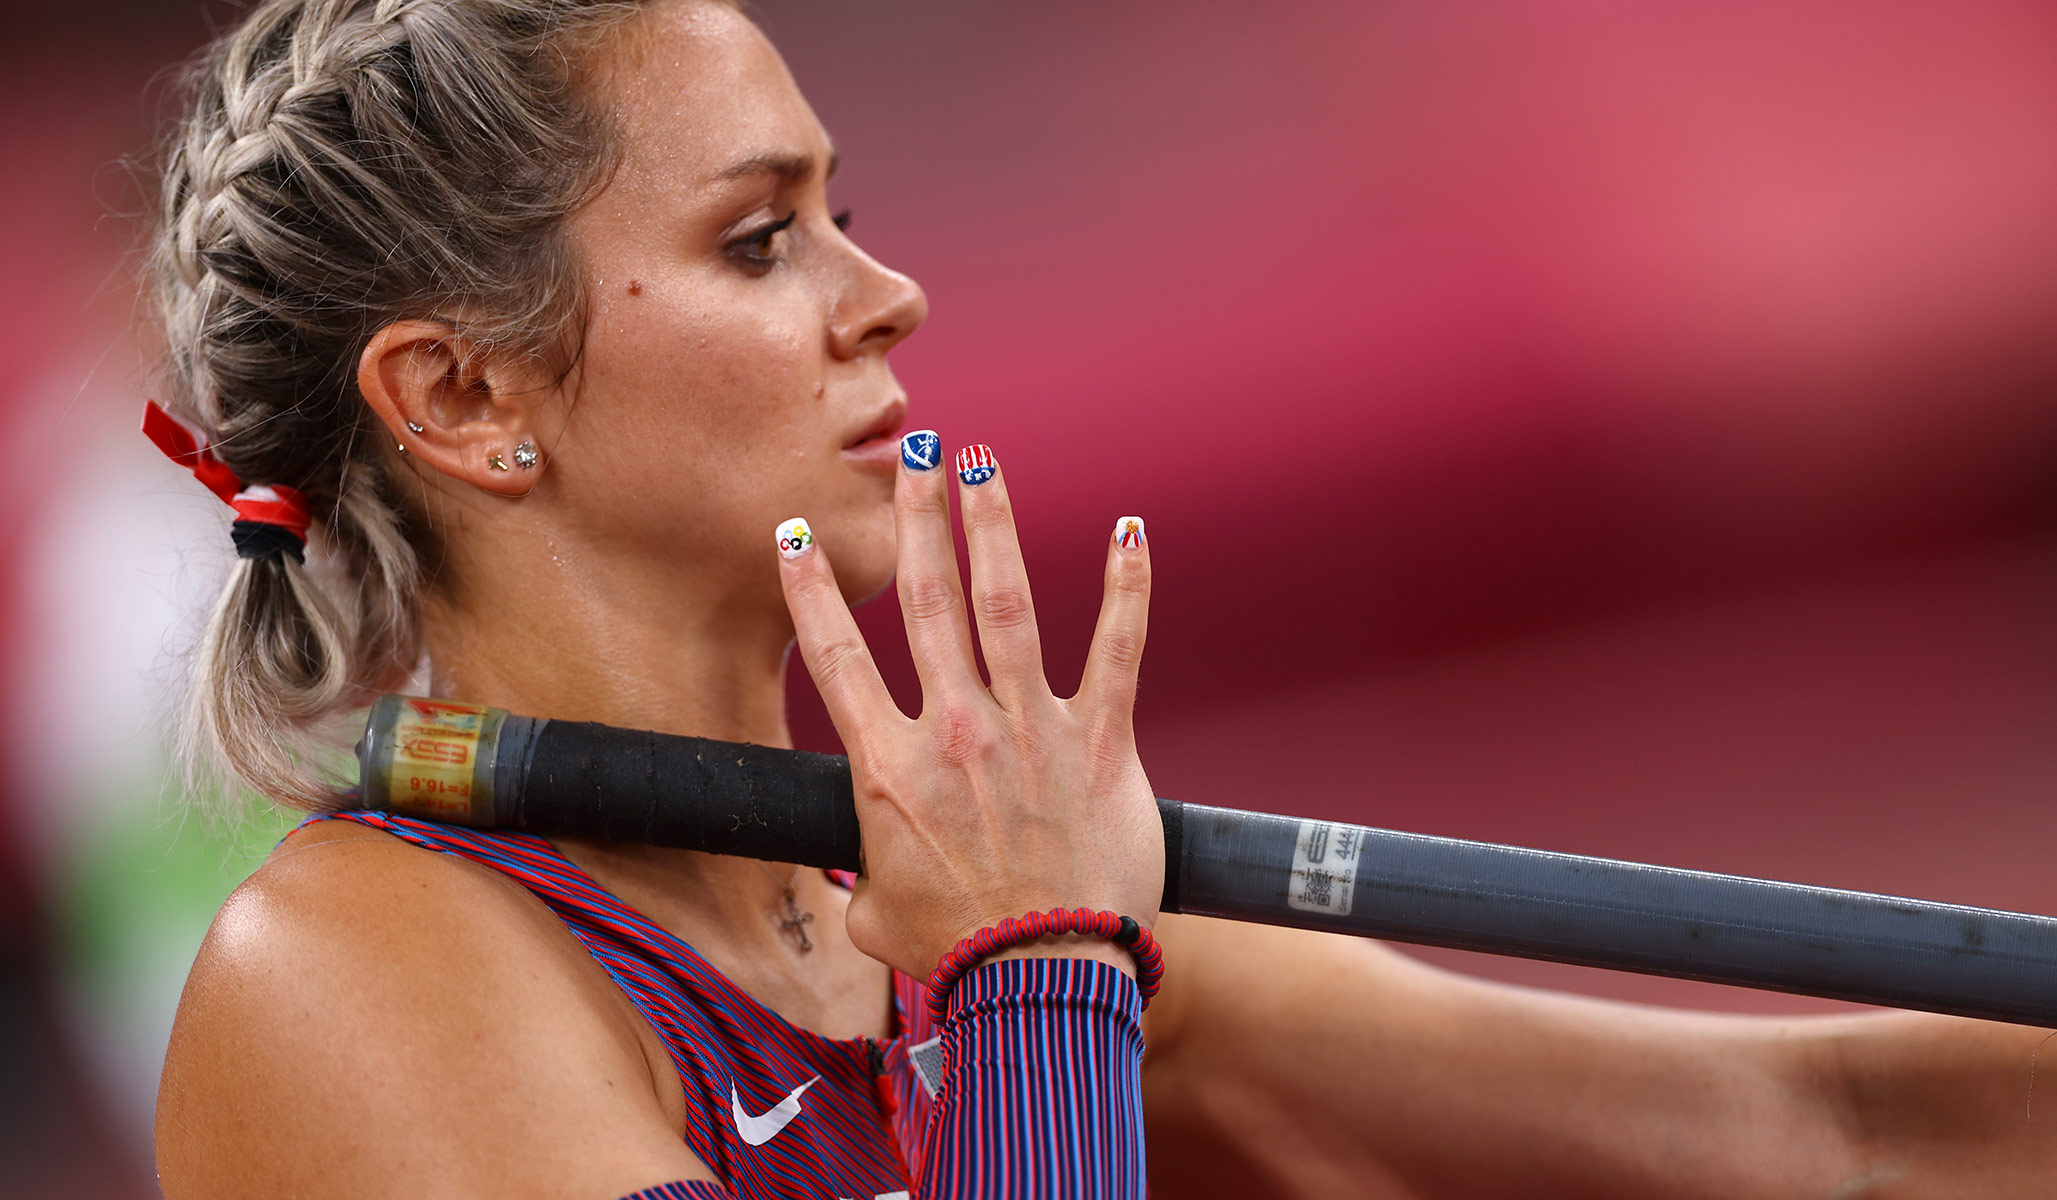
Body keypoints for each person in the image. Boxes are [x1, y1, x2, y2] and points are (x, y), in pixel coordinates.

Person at [146, 1, 2055, 1196]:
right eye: (759, 238)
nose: (887, 295)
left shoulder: (956, 898)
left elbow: (1838, 1136)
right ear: (462, 396)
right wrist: (1035, 972)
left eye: (839, 216)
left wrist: (1023, 945)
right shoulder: (348, 983)